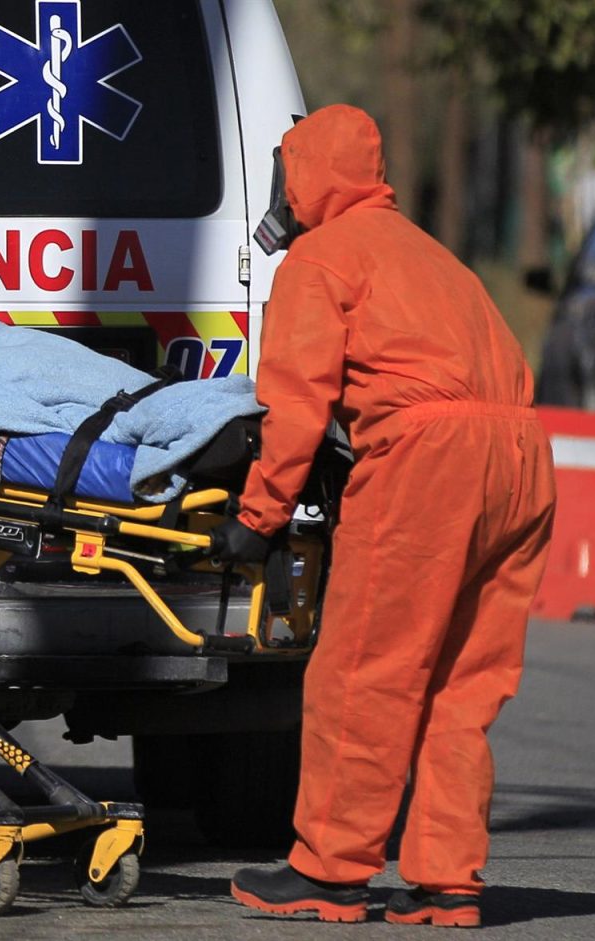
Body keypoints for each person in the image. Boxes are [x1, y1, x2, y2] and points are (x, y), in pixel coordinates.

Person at [210, 105, 556, 927]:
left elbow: (295, 409)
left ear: (301, 176)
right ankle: (447, 879)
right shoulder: (434, 255)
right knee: (462, 683)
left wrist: (256, 520)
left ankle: (331, 868)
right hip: (521, 459)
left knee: (365, 667)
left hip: (426, 463)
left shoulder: (322, 259)